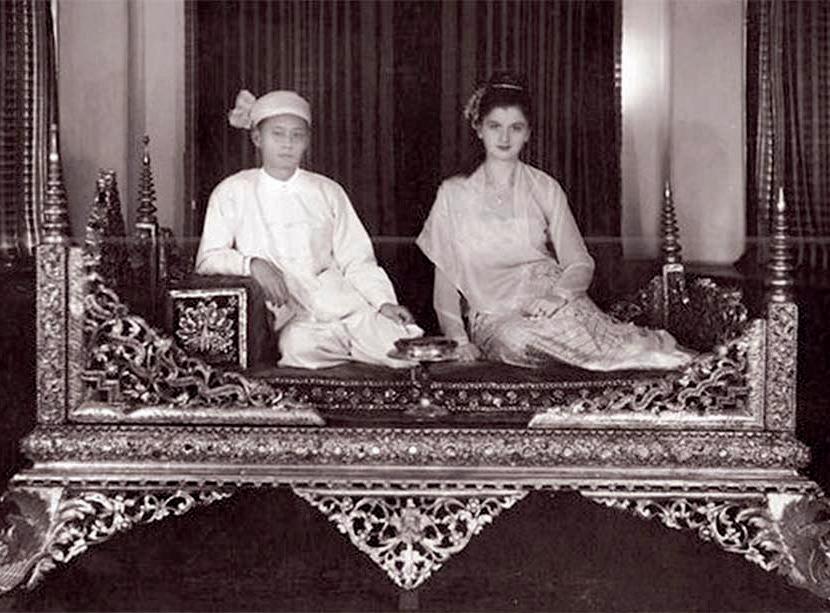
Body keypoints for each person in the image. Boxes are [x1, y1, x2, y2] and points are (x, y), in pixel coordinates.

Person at [416, 74, 693, 371]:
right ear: (479, 128)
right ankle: (631, 359)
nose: (505, 138)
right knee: (516, 339)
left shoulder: (544, 187)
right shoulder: (453, 195)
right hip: (495, 318)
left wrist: (557, 297)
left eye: (516, 128)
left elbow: (579, 262)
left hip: (553, 302)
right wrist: (459, 340)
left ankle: (638, 354)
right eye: (495, 126)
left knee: (578, 328)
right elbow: (445, 283)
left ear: (528, 133)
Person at [195, 89, 421, 369]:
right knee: (298, 348)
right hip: (293, 318)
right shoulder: (233, 190)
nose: (287, 144)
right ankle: (352, 350)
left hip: (344, 307)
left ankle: (356, 345)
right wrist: (252, 264)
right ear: (257, 138)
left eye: (297, 135)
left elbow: (357, 259)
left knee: (401, 343)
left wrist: (383, 302)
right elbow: (208, 258)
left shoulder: (327, 190)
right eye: (278, 134)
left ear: (307, 141)